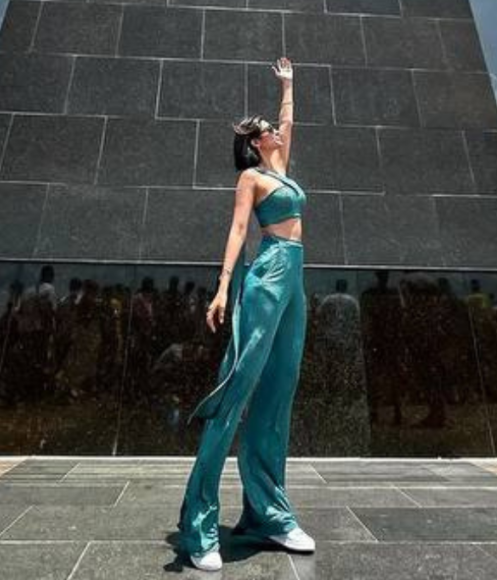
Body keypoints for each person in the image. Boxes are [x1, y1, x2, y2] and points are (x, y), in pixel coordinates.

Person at [178, 57, 314, 572]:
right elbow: (238, 232)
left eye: (276, 129)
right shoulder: (252, 178)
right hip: (268, 273)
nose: (277, 132)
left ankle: (269, 514)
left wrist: (288, 85)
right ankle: (200, 524)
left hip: (295, 277)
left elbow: (290, 122)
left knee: (279, 392)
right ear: (257, 143)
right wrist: (222, 287)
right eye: (267, 132)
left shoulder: (282, 170)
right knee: (238, 386)